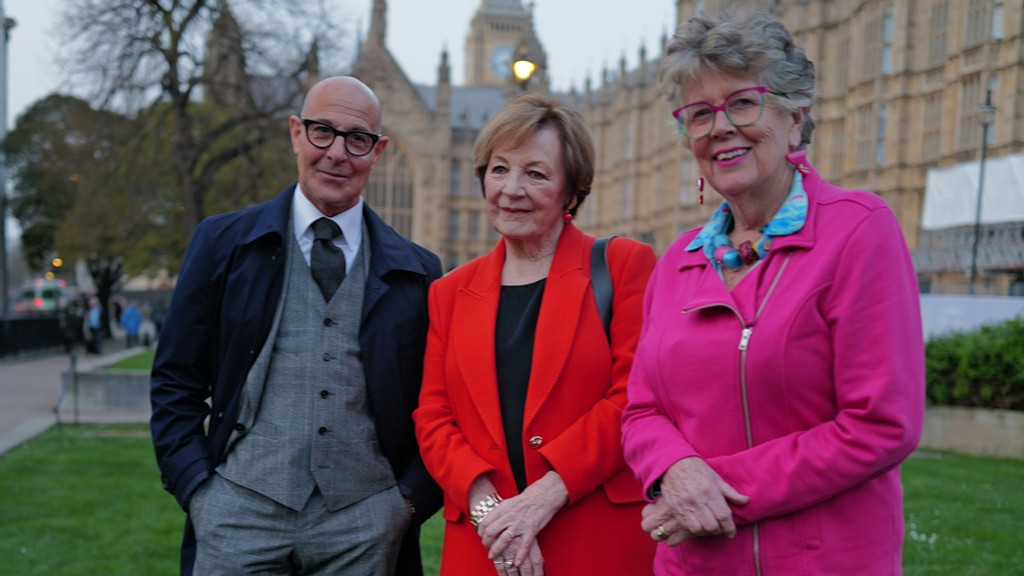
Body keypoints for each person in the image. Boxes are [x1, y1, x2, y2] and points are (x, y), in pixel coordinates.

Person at [621, 10, 924, 575]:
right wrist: (675, 471)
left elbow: (882, 421)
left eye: (742, 103)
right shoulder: (677, 261)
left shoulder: (858, 229)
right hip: (692, 564)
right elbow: (642, 411)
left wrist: (714, 490)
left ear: (795, 117)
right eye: (699, 114)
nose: (720, 127)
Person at [150, 76, 443, 576]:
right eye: (322, 131)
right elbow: (175, 379)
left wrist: (406, 505)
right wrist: (197, 488)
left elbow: (439, 404)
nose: (337, 153)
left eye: (358, 139)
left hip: (365, 527)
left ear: (378, 152)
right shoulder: (223, 244)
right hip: (237, 514)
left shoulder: (418, 271)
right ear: (295, 133)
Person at [414, 92, 658, 576]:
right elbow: (433, 418)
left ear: (573, 189)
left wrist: (544, 497)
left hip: (594, 540)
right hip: (485, 549)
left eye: (536, 173)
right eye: (499, 169)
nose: (511, 189)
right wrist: (492, 514)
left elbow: (634, 396)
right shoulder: (449, 291)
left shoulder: (624, 265)